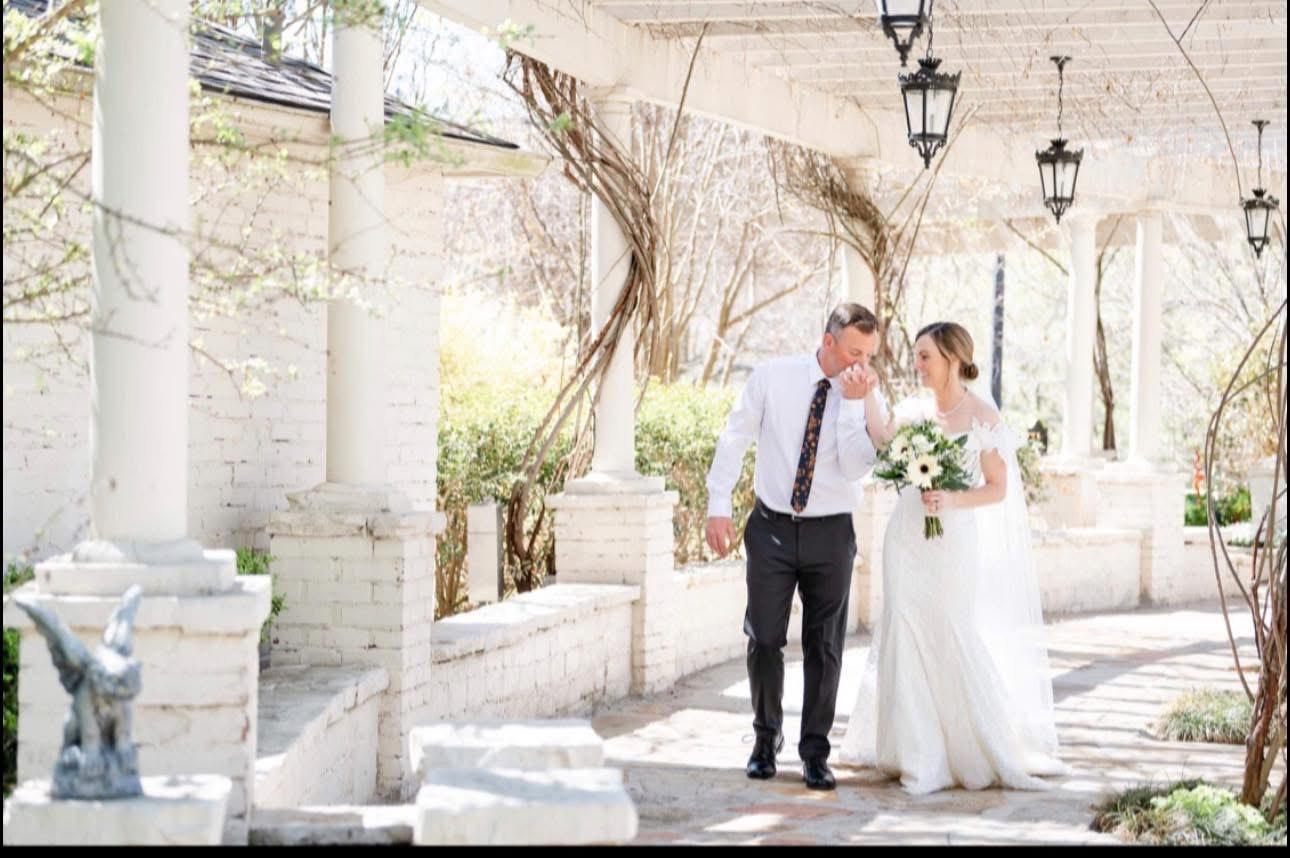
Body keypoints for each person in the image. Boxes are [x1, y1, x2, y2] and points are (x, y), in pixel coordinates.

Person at [839, 321, 1069, 794]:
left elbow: (997, 488)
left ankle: (964, 746)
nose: (917, 364)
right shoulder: (915, 410)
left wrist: (952, 499)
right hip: (906, 538)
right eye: (917, 355)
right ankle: (913, 752)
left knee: (950, 629)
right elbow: (883, 441)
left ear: (952, 358)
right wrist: (870, 394)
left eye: (925, 356)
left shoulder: (982, 415)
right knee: (903, 628)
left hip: (953, 543)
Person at [705, 303, 881, 790]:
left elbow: (856, 467)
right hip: (772, 528)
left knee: (825, 646)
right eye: (854, 352)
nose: (862, 363)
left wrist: (855, 405)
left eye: (869, 354)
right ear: (828, 342)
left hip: (832, 533)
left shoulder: (865, 393)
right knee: (764, 638)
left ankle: (815, 753)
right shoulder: (773, 377)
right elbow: (735, 436)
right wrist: (718, 502)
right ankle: (765, 739)